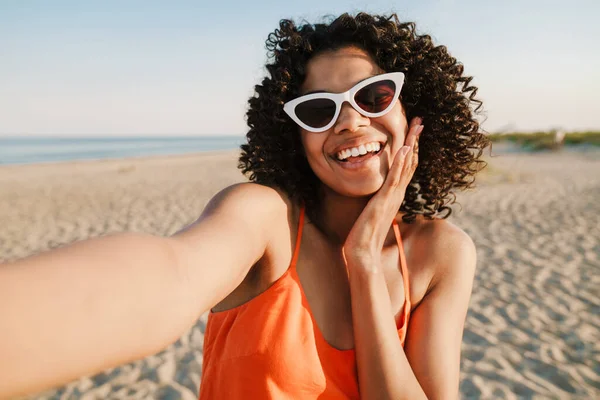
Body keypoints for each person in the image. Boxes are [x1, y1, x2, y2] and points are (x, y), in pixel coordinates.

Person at [0, 12, 491, 400]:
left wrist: (363, 261)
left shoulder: (440, 254)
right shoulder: (264, 220)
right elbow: (171, 275)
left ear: (411, 109)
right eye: (319, 109)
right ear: (295, 137)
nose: (350, 120)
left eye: (374, 95)